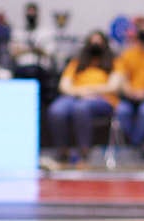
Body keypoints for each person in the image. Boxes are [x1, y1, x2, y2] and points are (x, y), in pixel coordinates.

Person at [46, 30, 118, 165]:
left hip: (103, 99)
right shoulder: (77, 62)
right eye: (93, 41)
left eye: (99, 41)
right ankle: (63, 152)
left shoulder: (113, 62)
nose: (95, 44)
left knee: (82, 108)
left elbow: (114, 86)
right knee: (56, 110)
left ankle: (84, 153)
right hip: (76, 96)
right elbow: (64, 85)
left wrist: (92, 90)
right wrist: (81, 92)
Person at [114, 16, 144, 159]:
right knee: (122, 110)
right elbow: (121, 77)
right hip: (131, 96)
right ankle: (138, 144)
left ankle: (135, 143)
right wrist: (130, 91)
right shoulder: (128, 54)